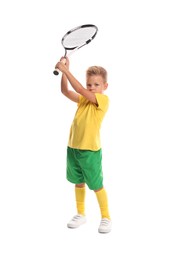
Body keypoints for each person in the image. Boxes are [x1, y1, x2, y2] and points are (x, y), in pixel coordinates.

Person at [55, 57, 112, 233]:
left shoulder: (102, 101)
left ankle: (106, 217)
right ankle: (81, 214)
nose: (91, 88)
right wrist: (65, 70)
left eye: (96, 84)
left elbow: (78, 88)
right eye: (89, 84)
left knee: (96, 185)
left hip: (90, 151)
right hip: (73, 148)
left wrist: (65, 70)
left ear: (104, 86)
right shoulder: (83, 100)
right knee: (78, 182)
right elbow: (66, 91)